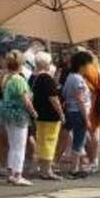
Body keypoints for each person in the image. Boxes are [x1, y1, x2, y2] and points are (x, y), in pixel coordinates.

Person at [0, 51, 38, 186]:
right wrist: (33, 112)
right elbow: (26, 100)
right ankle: (18, 174)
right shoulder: (19, 79)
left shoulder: (6, 78)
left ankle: (11, 172)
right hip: (20, 115)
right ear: (20, 64)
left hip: (8, 115)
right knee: (20, 146)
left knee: (12, 145)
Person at [32, 52, 63, 181]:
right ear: (46, 64)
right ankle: (47, 170)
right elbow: (54, 98)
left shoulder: (34, 78)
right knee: (50, 141)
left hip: (39, 113)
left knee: (42, 141)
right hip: (50, 114)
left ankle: (43, 167)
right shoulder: (47, 79)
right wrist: (61, 113)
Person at [63, 51, 93, 179]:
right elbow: (80, 99)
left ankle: (77, 166)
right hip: (78, 112)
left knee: (77, 139)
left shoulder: (70, 77)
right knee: (79, 140)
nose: (89, 68)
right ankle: (74, 168)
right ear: (82, 65)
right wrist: (87, 119)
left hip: (70, 110)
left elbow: (64, 94)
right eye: (88, 65)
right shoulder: (78, 79)